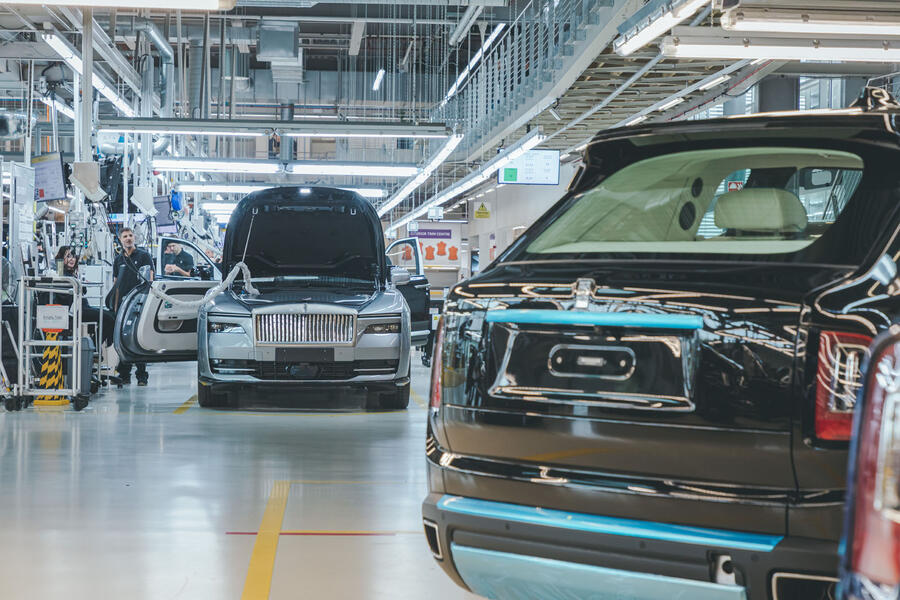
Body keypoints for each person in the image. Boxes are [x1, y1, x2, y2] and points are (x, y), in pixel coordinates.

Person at [112, 228, 154, 386]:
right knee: (123, 339)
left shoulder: (144, 256)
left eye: (130, 236)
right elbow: (116, 283)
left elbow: (150, 277)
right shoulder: (118, 260)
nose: (128, 238)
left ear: (134, 237)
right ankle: (124, 375)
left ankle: (142, 376)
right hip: (123, 304)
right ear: (120, 240)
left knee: (138, 339)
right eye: (125, 236)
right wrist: (115, 306)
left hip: (139, 302)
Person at [55, 246, 116, 348]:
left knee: (112, 315)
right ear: (61, 259)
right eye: (68, 256)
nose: (71, 259)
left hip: (83, 307)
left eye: (74, 256)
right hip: (76, 311)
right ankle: (93, 346)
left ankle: (94, 345)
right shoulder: (62, 273)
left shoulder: (72, 273)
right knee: (109, 318)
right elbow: (65, 294)